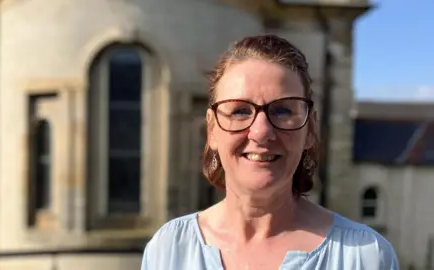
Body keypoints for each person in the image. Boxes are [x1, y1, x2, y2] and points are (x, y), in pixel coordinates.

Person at [141, 34, 399, 270]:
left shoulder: (364, 257)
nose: (261, 131)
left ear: (310, 130)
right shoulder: (169, 251)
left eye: (283, 110)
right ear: (212, 130)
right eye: (240, 111)